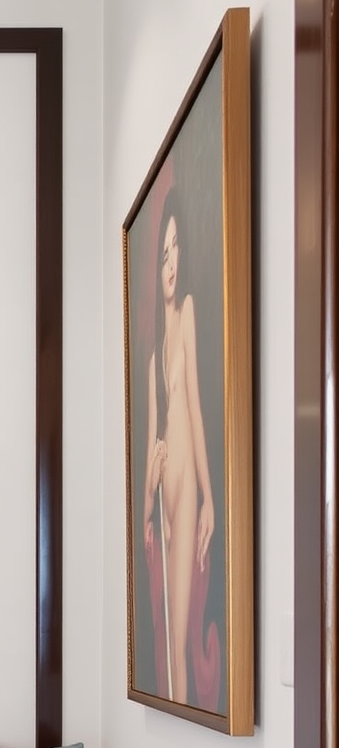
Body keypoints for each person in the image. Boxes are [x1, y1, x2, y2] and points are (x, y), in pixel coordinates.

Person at [142, 187, 220, 707]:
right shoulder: (151, 359)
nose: (171, 263)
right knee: (168, 645)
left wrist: (210, 496)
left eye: (176, 250)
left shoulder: (188, 310)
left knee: (178, 643)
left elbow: (194, 407)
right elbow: (151, 449)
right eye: (163, 253)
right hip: (165, 503)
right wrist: (150, 486)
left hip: (189, 488)